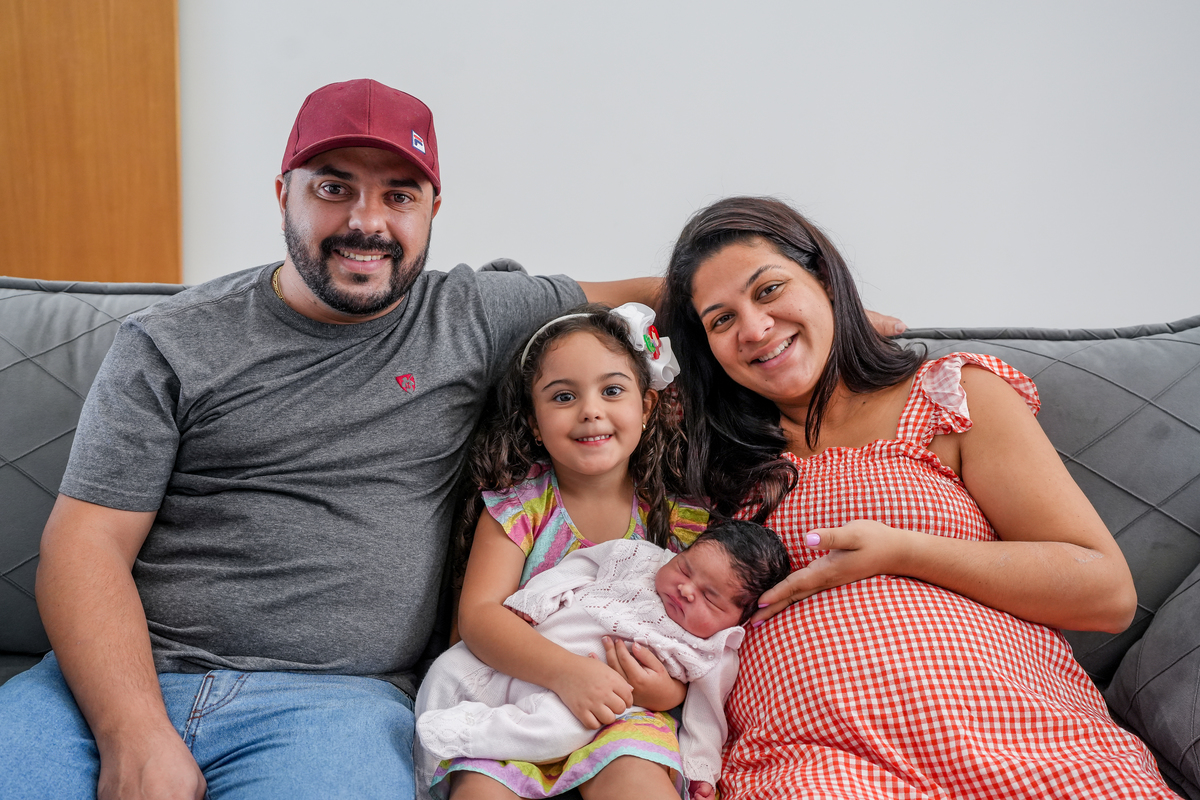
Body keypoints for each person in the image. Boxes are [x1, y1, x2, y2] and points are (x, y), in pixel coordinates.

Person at [0, 79, 659, 800]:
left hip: (333, 705)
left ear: (433, 210)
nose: (367, 222)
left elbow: (673, 293)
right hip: (113, 684)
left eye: (399, 196)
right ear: (283, 194)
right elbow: (85, 544)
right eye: (334, 188)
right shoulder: (171, 340)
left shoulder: (470, 314)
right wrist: (134, 733)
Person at [657, 196, 1177, 799]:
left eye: (770, 289)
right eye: (721, 320)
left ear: (824, 277)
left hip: (1020, 737)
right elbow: (563, 312)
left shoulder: (948, 397)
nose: (753, 329)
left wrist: (903, 553)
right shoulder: (702, 454)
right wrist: (674, 292)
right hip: (812, 764)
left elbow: (1106, 594)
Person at [419, 304, 716, 800]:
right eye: (563, 396)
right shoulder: (520, 509)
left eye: (612, 390)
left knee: (638, 782)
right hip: (515, 698)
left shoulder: (677, 516)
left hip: (622, 711)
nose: (590, 410)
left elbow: (699, 641)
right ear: (534, 422)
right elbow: (478, 617)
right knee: (480, 791)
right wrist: (567, 673)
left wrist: (668, 691)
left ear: (646, 407)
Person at [416, 521, 789, 799]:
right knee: (447, 669)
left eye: (709, 598)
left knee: (563, 728)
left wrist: (701, 769)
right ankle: (425, 756)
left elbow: (706, 716)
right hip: (526, 656)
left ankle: (470, 735)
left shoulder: (715, 648)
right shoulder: (639, 557)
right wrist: (533, 602)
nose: (685, 589)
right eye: (685, 569)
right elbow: (579, 565)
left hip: (594, 708)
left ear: (737, 619)